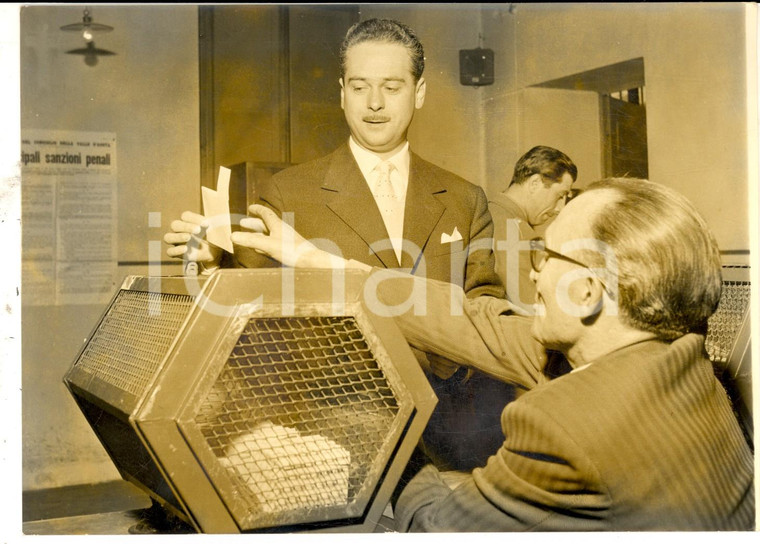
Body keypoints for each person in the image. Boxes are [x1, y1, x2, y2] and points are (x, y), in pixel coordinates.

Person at [233, 177, 755, 531]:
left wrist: (395, 453)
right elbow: (468, 318)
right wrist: (312, 259)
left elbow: (439, 528)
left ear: (589, 292)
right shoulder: (685, 364)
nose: (532, 272)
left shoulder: (560, 424)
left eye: (545, 254)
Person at [165, 18, 509, 472]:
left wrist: (448, 360)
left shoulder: (465, 198)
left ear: (419, 92)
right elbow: (248, 307)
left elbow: (488, 307)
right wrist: (212, 261)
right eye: (360, 85)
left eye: (392, 86)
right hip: (339, 436)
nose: (374, 103)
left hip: (451, 435)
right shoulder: (290, 193)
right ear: (341, 91)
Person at [490, 146, 577, 314]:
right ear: (534, 183)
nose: (560, 208)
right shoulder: (512, 229)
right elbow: (529, 309)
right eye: (560, 195)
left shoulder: (493, 213)